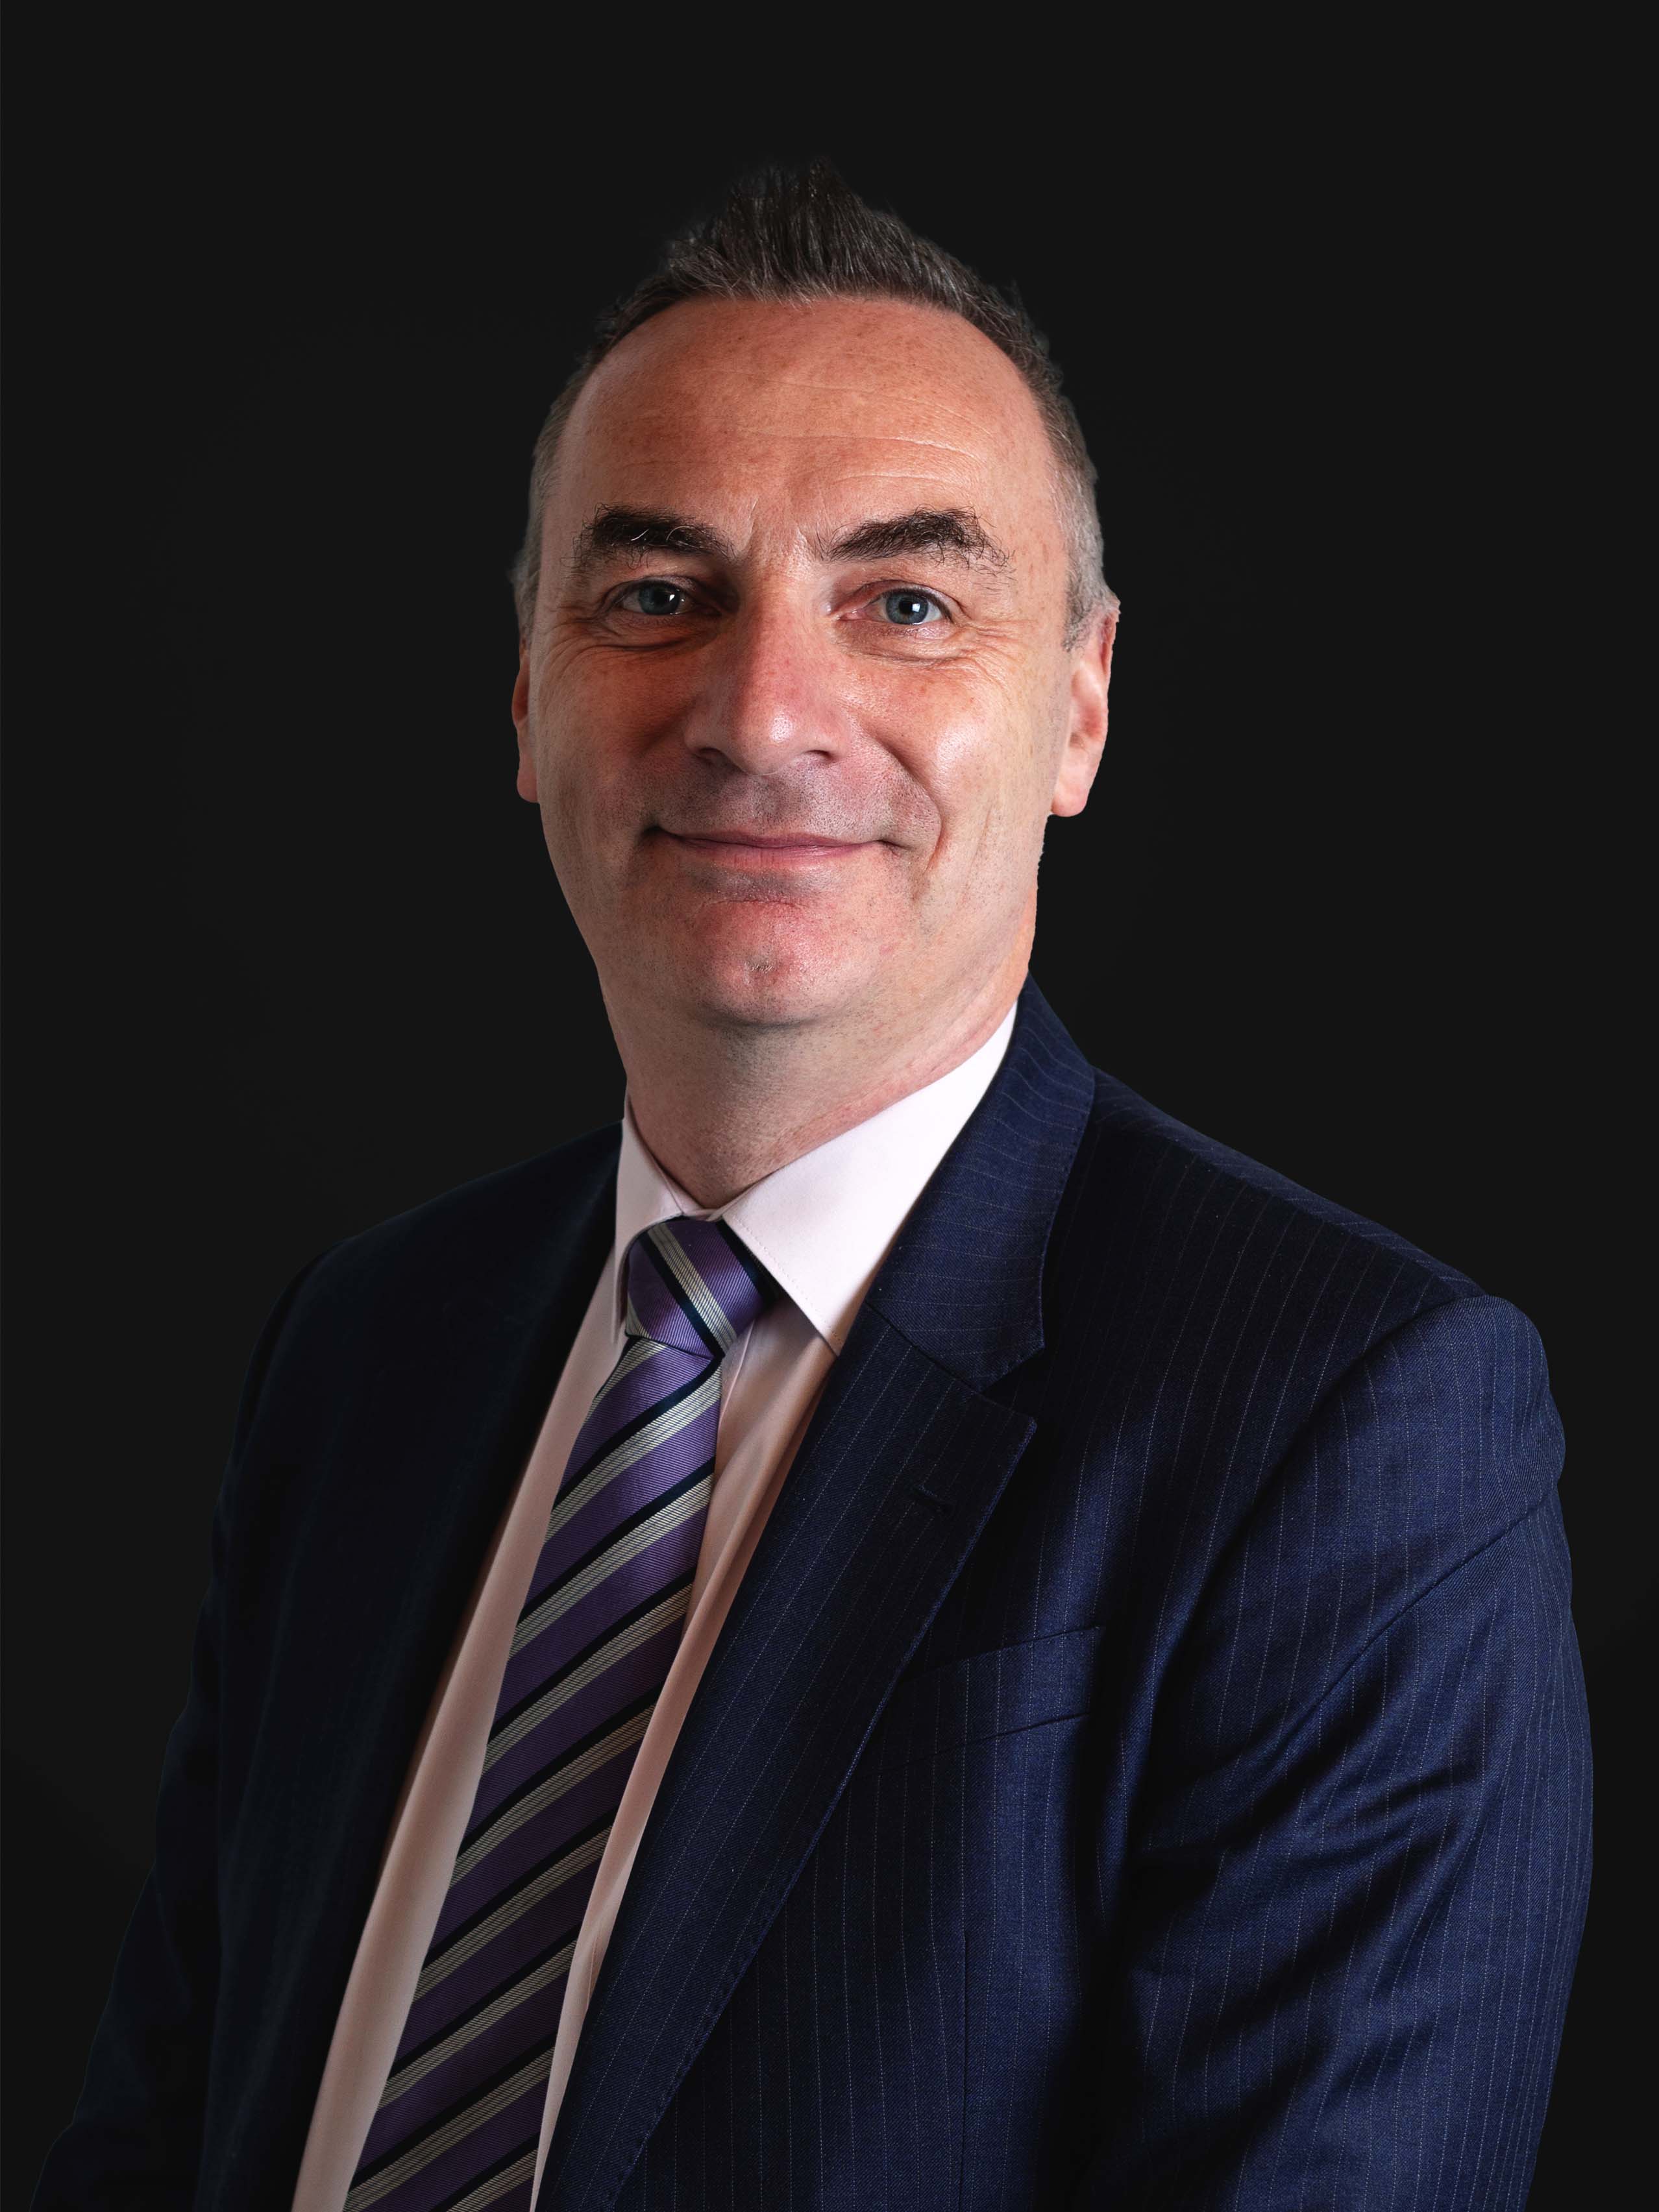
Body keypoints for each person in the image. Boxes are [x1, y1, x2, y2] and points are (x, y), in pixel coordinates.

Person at [37, 164, 1590, 2212]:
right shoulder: (367, 1348)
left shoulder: (1349, 1423)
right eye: (653, 595)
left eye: (906, 602)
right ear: (528, 700)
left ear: (1080, 705)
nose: (762, 712)